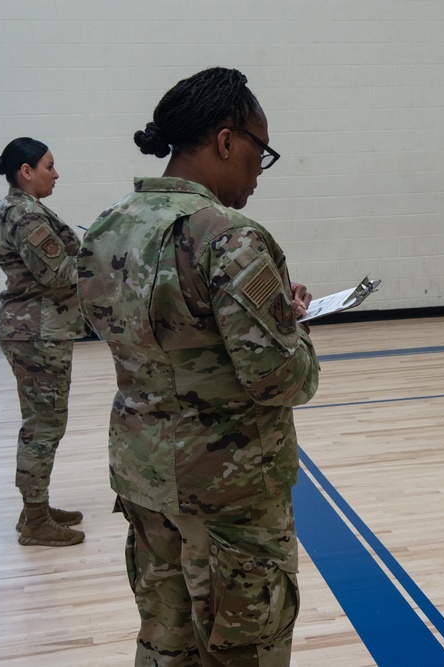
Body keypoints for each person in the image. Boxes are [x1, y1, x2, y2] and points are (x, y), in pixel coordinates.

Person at [77, 67, 320, 666]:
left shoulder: (110, 228)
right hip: (228, 490)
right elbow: (282, 379)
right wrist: (294, 332)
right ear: (226, 140)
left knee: (165, 641)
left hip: (144, 476)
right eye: (260, 153)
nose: (258, 174)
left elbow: (139, 332)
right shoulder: (230, 237)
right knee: (244, 650)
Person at [0, 138, 86, 548]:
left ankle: (36, 509)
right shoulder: (26, 215)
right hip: (37, 333)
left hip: (33, 331)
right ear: (26, 171)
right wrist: (102, 253)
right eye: (49, 165)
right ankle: (36, 521)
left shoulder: (18, 208)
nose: (56, 173)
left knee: (42, 422)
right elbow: (59, 273)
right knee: (43, 426)